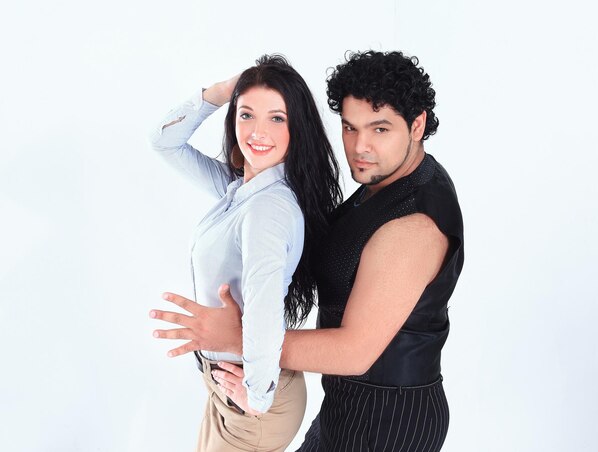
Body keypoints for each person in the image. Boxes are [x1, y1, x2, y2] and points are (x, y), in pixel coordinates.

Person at [151, 50, 464, 452]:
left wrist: (241, 338)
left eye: (380, 129)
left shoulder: (414, 226)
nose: (360, 146)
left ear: (417, 124)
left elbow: (355, 352)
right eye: (350, 128)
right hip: (347, 407)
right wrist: (230, 89)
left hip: (388, 423)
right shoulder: (384, 183)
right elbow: (164, 142)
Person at [149, 54, 342, 452]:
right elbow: (164, 141)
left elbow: (264, 305)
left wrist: (257, 394)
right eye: (246, 114)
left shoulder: (267, 208)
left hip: (251, 404)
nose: (257, 131)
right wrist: (222, 91)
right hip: (228, 387)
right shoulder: (241, 190)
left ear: (297, 127)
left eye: (276, 118)